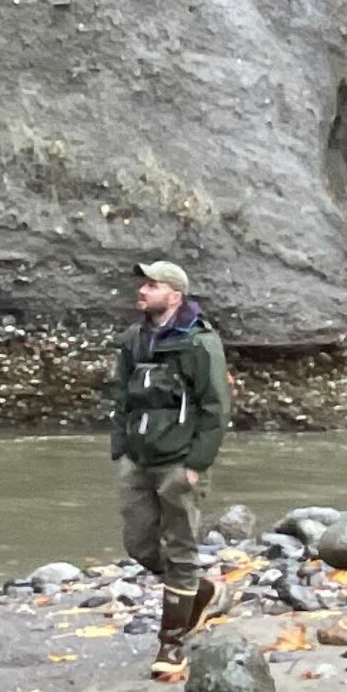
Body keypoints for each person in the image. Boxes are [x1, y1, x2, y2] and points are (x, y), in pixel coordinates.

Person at [109, 260, 229, 666]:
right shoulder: (133, 339)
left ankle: (171, 643)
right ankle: (199, 591)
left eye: (152, 285)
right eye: (142, 285)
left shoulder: (199, 343)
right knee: (139, 544)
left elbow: (215, 406)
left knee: (180, 550)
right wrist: (121, 450)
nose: (142, 291)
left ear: (174, 295)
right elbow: (122, 398)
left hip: (179, 462)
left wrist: (196, 463)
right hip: (138, 459)